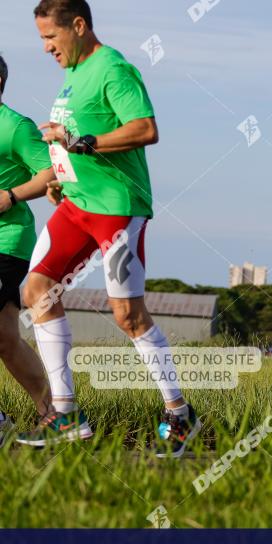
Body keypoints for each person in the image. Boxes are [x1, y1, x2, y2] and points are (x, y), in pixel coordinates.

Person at [18, 0, 201, 457]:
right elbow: (76, 137)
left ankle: (180, 414)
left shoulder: (113, 68)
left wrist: (85, 142)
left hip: (118, 207)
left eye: (50, 38)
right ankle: (66, 415)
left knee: (127, 315)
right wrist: (61, 171)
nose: (45, 48)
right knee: (37, 290)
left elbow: (145, 128)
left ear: (78, 26)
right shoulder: (74, 74)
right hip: (78, 203)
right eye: (42, 39)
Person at [0, 54, 56, 444]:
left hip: (6, 241)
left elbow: (52, 171)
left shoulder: (15, 127)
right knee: (5, 338)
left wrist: (10, 195)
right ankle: (56, 417)